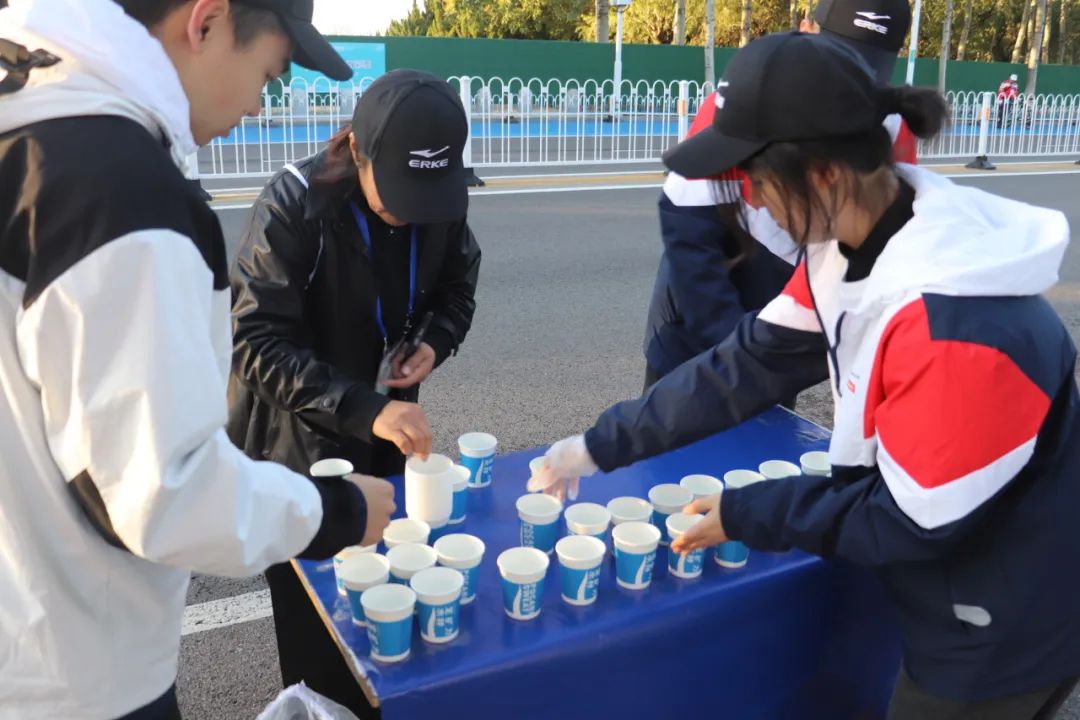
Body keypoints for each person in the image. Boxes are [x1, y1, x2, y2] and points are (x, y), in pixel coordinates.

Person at [532, 32, 1080, 719]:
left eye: (758, 182)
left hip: (1003, 621)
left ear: (822, 173)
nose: (753, 203)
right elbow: (743, 365)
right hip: (949, 572)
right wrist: (595, 446)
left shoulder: (956, 326)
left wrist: (744, 512)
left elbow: (908, 520)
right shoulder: (849, 243)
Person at [0, 1, 395, 719]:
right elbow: (158, 492)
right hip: (75, 669)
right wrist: (338, 512)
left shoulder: (29, 112)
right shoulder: (117, 189)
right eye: (268, 74)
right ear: (206, 21)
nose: (258, 106)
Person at [227, 68, 481, 714]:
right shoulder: (293, 206)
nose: (412, 212)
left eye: (428, 196)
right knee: (320, 646)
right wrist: (367, 409)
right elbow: (256, 343)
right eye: (398, 194)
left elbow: (458, 285)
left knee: (389, 614)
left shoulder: (439, 200)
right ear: (356, 151)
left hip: (386, 435)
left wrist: (435, 341)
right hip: (298, 452)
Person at [644, 0, 914, 389]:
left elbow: (882, 249)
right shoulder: (749, 95)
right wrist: (738, 360)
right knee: (682, 395)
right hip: (703, 293)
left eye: (864, 66)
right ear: (806, 29)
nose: (841, 78)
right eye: (836, 54)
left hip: (786, 296)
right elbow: (689, 237)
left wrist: (781, 353)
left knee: (767, 401)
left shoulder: (891, 123)